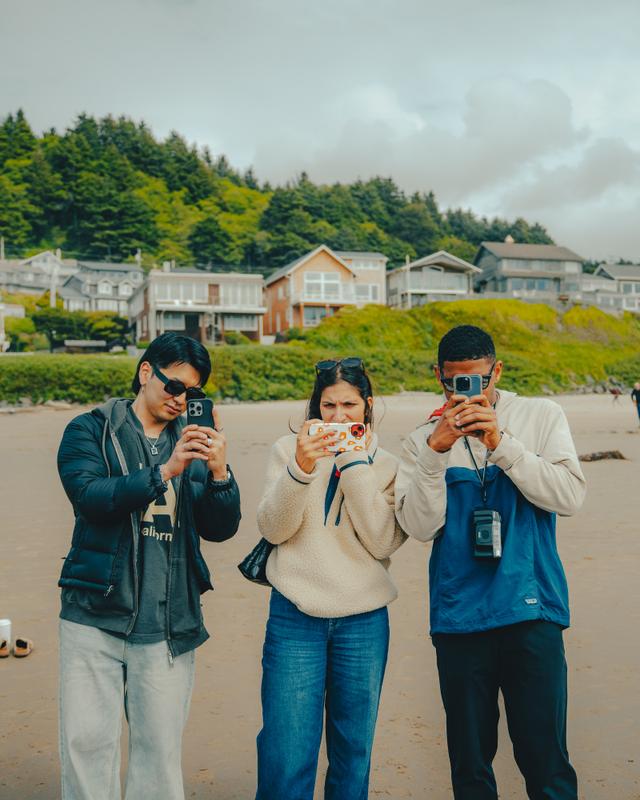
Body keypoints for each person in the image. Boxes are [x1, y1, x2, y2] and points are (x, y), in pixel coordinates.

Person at [395, 325, 586, 800]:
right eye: (453, 381)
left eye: (477, 380)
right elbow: (420, 527)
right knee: (470, 767)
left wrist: (502, 443)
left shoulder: (540, 415)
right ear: (438, 376)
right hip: (459, 618)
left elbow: (569, 496)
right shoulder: (422, 439)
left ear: (496, 371)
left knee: (546, 762)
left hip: (532, 608)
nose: (465, 391)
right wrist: (435, 455)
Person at [57, 332, 241, 800]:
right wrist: (163, 472)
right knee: (86, 745)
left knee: (158, 754)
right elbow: (90, 497)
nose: (181, 400)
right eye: (174, 386)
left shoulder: (197, 445)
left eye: (193, 392)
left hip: (169, 619)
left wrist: (220, 473)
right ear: (145, 373)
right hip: (94, 612)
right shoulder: (89, 429)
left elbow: (221, 530)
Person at [254, 357, 407, 800]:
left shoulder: (389, 465)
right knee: (286, 750)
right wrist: (301, 469)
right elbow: (274, 529)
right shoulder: (289, 451)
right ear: (315, 408)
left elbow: (381, 541)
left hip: (364, 619)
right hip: (294, 615)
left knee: (353, 751)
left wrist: (355, 463)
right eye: (328, 406)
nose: (338, 417)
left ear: (368, 406)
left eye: (349, 405)